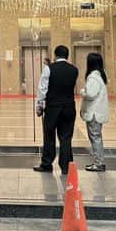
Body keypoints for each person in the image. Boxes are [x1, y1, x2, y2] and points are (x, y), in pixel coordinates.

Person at [33, 45, 78, 175]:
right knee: (66, 138)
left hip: (53, 108)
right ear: (67, 55)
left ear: (55, 55)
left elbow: (42, 89)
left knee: (49, 136)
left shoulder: (48, 68)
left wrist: (39, 107)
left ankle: (47, 163)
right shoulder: (74, 70)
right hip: (69, 107)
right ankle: (66, 167)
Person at [80, 52, 109, 172]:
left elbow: (90, 94)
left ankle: (99, 163)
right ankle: (98, 161)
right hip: (97, 112)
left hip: (94, 113)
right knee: (97, 137)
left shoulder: (93, 77)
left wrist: (83, 92)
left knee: (95, 138)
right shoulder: (101, 76)